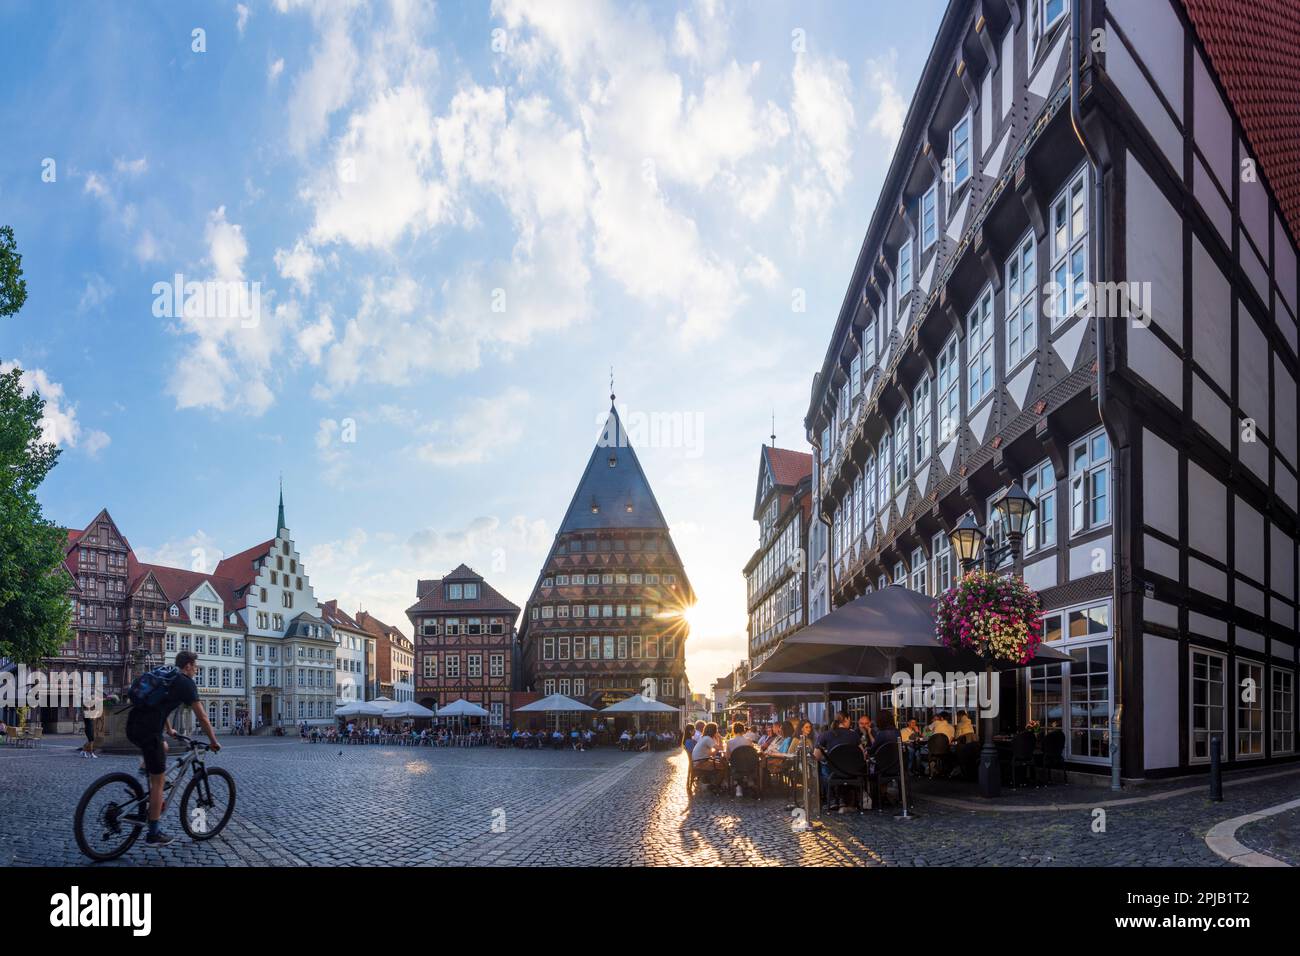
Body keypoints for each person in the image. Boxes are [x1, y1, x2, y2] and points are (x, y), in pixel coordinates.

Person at [126, 650, 220, 847]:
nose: (196, 670)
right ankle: (153, 833)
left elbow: (160, 704)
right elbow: (202, 717)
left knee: (164, 747)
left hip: (133, 724)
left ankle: (144, 785)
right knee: (159, 780)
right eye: (195, 667)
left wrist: (169, 729)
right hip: (149, 730)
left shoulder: (167, 674)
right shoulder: (186, 683)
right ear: (187, 666)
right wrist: (213, 741)